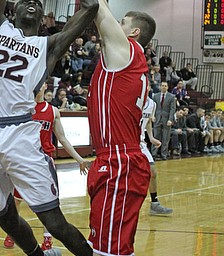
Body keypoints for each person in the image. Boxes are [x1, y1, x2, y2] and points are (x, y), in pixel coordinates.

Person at [0, 0, 99, 256]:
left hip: (17, 133)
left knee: (54, 222)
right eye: (25, 0)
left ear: (43, 17)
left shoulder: (48, 46)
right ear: (12, 11)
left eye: (38, 3)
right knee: (5, 217)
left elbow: (90, 8)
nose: (31, 3)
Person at [87, 0, 156, 255]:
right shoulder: (128, 59)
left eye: (123, 22)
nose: (118, 24)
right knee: (106, 246)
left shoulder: (126, 51)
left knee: (109, 250)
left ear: (133, 32)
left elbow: (96, 7)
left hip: (120, 162)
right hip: (114, 159)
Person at [4, 83, 90, 250]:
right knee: (16, 200)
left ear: (44, 87)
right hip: (24, 159)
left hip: (45, 161)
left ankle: (47, 238)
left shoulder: (53, 111)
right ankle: (12, 232)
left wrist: (80, 159)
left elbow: (63, 139)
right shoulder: (23, 109)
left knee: (48, 202)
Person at [141, 95, 173, 215]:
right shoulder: (131, 99)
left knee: (152, 172)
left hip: (141, 142)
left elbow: (148, 120)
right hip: (129, 141)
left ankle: (154, 204)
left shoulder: (152, 104)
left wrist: (151, 137)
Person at [151, 81, 176, 160]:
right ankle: (153, 154)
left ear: (167, 87)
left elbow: (172, 109)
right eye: (162, 86)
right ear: (160, 87)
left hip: (166, 119)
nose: (164, 87)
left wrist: (170, 119)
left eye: (165, 86)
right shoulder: (155, 96)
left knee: (166, 138)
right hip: (157, 118)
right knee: (155, 136)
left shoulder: (171, 97)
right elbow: (153, 107)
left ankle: (164, 154)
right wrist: (152, 116)